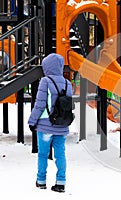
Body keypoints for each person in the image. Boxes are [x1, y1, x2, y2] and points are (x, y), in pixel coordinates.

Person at [28, 53, 72, 193]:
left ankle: (41, 181)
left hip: (45, 125)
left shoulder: (45, 81)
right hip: (62, 124)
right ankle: (61, 182)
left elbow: (40, 104)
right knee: (60, 154)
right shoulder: (68, 83)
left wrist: (32, 121)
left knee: (42, 154)